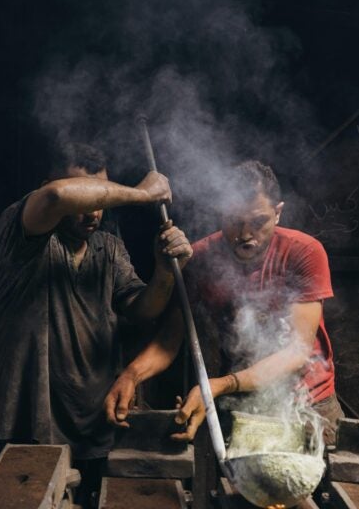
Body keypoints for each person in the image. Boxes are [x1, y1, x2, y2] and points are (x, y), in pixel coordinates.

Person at [0, 142, 192, 506]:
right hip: (30, 421)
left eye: (101, 198)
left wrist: (163, 270)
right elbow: (55, 197)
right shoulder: (23, 231)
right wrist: (143, 194)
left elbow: (142, 309)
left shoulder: (109, 249)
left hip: (96, 419)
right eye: (87, 198)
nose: (93, 212)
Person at [105, 160, 344, 448]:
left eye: (258, 222)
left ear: (277, 213)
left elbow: (297, 351)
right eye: (234, 220)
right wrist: (132, 374)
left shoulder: (303, 253)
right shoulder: (201, 258)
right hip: (242, 403)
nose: (245, 234)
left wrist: (218, 386)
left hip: (309, 402)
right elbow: (169, 340)